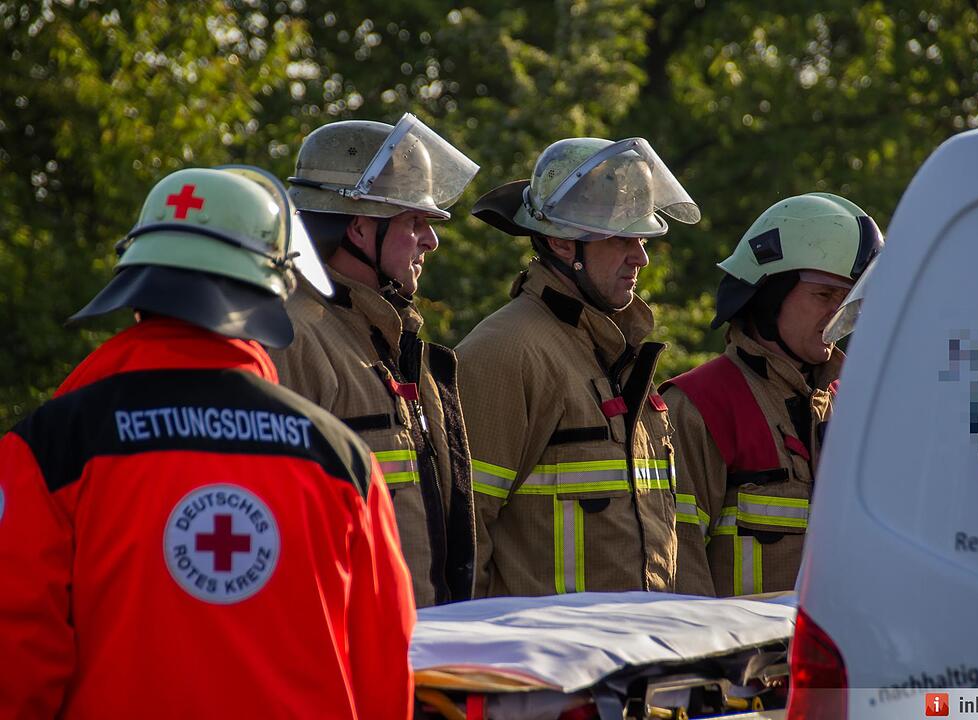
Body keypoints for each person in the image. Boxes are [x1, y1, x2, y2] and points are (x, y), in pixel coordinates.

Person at [0, 167, 415, 718]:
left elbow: (17, 658)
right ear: (271, 290)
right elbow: (384, 667)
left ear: (138, 286)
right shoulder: (339, 460)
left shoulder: (49, 447)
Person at [456, 136, 714, 597]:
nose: (641, 256)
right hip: (550, 663)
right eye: (621, 238)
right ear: (560, 241)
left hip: (638, 654)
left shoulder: (615, 351)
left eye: (641, 237)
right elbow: (464, 537)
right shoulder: (506, 352)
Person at [269, 114, 479, 608]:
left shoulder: (391, 339)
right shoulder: (292, 336)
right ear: (360, 229)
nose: (431, 241)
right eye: (415, 222)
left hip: (418, 640)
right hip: (346, 652)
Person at [660, 192, 883, 596]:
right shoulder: (698, 407)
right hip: (741, 657)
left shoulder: (856, 404)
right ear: (768, 295)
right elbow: (678, 569)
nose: (840, 314)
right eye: (824, 295)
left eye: (849, 298)